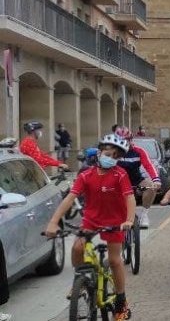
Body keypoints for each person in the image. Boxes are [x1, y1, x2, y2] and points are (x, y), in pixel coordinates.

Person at [44, 134, 136, 321]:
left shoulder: (120, 175)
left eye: (115, 156)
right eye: (107, 153)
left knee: (114, 260)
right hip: (91, 220)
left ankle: (121, 300)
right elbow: (70, 198)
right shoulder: (86, 175)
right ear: (100, 152)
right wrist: (53, 222)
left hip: (114, 221)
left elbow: (130, 197)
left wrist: (129, 219)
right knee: (77, 247)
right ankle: (81, 280)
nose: (110, 158)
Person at [113, 126, 160, 229]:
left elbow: (149, 166)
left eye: (128, 140)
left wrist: (156, 180)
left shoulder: (139, 151)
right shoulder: (113, 153)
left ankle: (144, 215)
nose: (126, 143)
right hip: (118, 183)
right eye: (122, 141)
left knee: (151, 187)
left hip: (136, 181)